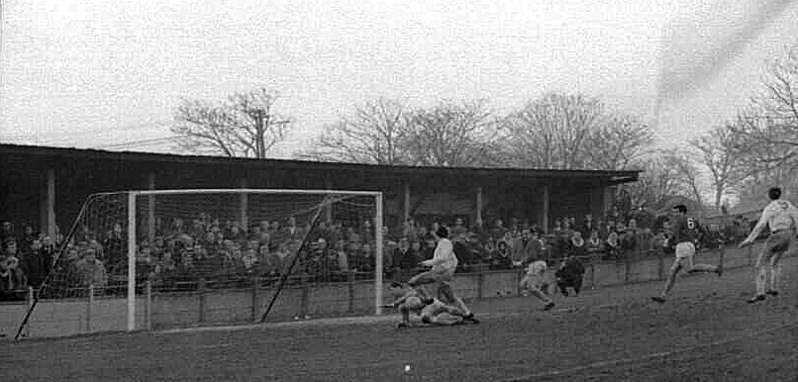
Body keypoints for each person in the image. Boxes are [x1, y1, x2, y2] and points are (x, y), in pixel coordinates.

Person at [407, 226, 478, 323]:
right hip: (443, 272)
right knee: (450, 297)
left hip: (441, 272)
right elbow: (454, 260)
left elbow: (442, 258)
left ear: (437, 234)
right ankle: (467, 314)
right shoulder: (444, 243)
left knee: (413, 281)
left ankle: (428, 299)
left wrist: (428, 263)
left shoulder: (445, 243)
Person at [651, 204, 721, 304]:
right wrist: (698, 241)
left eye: (675, 212)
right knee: (672, 272)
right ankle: (663, 296)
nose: (674, 214)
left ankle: (715, 269)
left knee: (689, 269)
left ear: (681, 212)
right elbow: (703, 230)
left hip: (683, 246)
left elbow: (675, 234)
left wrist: (668, 242)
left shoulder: (680, 219)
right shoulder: (692, 219)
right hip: (688, 245)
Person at [739, 187, 798, 303]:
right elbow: (797, 217)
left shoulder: (770, 207)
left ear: (769, 196)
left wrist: (750, 239)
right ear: (780, 194)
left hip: (776, 235)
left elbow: (761, 224)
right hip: (788, 235)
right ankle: (774, 288)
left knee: (760, 265)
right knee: (775, 262)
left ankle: (760, 293)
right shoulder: (788, 204)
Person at [387, 282, 468, 327]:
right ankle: (454, 322)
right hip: (426, 309)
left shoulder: (408, 290)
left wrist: (397, 303)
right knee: (426, 318)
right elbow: (403, 307)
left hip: (431, 304)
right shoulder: (398, 298)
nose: (391, 293)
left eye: (392, 290)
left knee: (447, 309)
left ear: (398, 287)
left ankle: (465, 316)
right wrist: (405, 321)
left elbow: (411, 294)